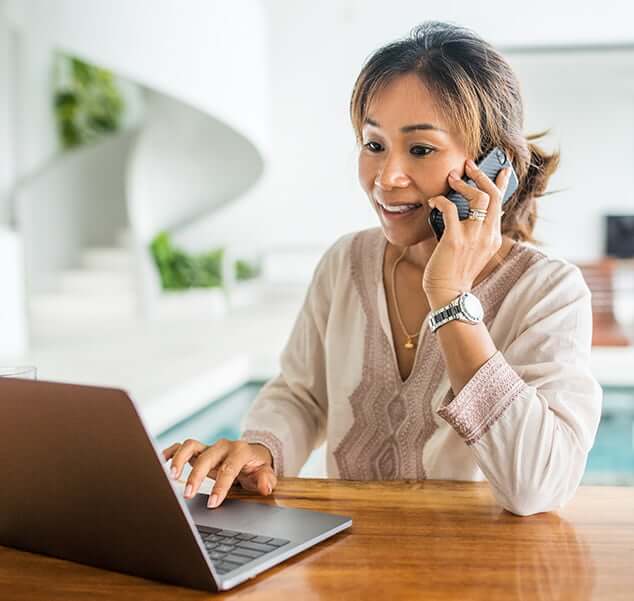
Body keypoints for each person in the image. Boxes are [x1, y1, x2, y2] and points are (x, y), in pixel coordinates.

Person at [162, 21, 602, 516]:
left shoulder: (549, 292)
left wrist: (451, 298)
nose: (386, 177)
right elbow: (302, 395)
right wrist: (262, 448)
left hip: (480, 574)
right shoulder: (345, 263)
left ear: (491, 166)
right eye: (374, 145)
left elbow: (537, 486)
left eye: (420, 149)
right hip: (346, 565)